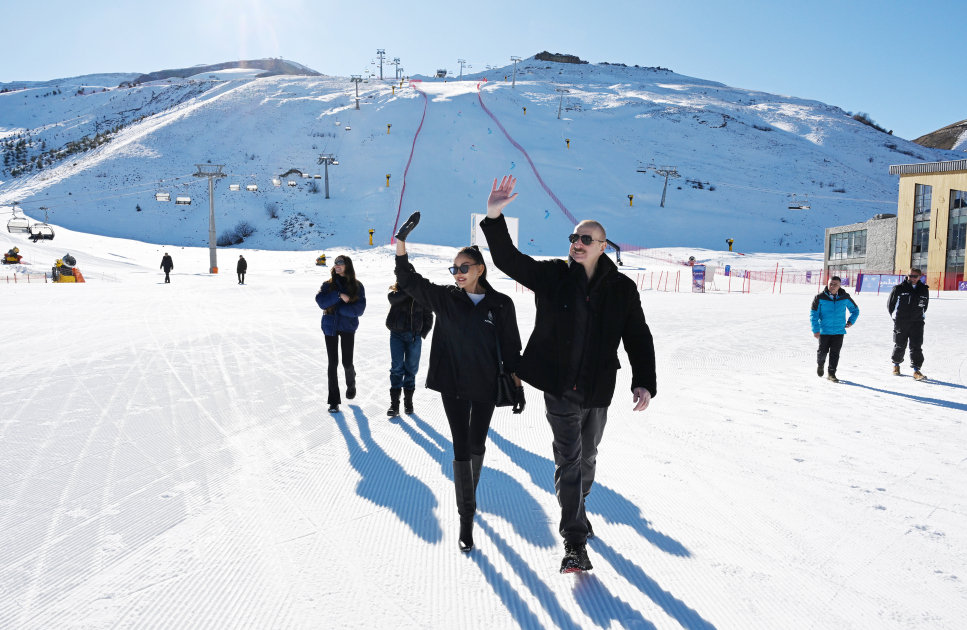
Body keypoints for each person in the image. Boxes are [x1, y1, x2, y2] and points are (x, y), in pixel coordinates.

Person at [479, 176, 657, 574]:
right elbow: (508, 259)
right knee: (569, 461)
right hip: (559, 387)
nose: (576, 243)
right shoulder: (554, 276)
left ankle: (576, 506)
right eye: (573, 237)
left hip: (598, 389)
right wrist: (494, 215)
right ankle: (575, 541)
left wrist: (643, 379)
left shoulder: (622, 289)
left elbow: (638, 336)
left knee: (588, 457)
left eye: (585, 239)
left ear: (601, 246)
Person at [394, 211, 524, 553]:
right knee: (460, 444)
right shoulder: (447, 299)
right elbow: (411, 283)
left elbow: (512, 347)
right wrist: (401, 247)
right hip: (452, 384)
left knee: (478, 444)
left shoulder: (501, 304)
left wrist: (518, 383)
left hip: (484, 385)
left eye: (463, 267)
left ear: (480, 269)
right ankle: (466, 517)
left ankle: (470, 491)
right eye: (453, 269)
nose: (458, 273)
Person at [315, 255, 366, 412]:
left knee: (347, 363)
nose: (337, 265)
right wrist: (338, 296)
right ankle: (333, 401)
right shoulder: (328, 285)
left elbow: (359, 309)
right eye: (335, 263)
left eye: (340, 263)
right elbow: (321, 301)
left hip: (348, 327)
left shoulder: (357, 286)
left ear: (347, 266)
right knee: (333, 364)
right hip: (330, 327)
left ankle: (351, 383)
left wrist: (339, 308)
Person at [385, 281, 434, 417]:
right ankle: (394, 404)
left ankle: (408, 402)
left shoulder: (422, 294)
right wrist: (408, 289)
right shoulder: (395, 291)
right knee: (396, 367)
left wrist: (421, 333)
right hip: (396, 334)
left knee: (411, 369)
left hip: (414, 336)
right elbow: (392, 299)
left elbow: (429, 315)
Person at [810, 276, 860, 383]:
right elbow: (814, 314)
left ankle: (831, 374)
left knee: (835, 353)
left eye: (835, 284)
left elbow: (855, 310)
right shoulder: (819, 297)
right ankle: (820, 364)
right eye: (830, 284)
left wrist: (851, 321)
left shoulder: (845, 297)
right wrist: (816, 329)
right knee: (822, 352)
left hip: (839, 331)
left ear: (840, 286)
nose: (832, 286)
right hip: (824, 331)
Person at [888, 268, 929, 380]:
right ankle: (896, 365)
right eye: (910, 276)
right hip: (901, 322)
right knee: (900, 344)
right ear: (907, 275)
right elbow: (890, 305)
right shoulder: (898, 288)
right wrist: (896, 318)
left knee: (916, 346)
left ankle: (916, 370)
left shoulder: (924, 289)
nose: (912, 278)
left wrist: (919, 316)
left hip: (917, 322)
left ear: (920, 277)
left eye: (915, 276)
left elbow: (925, 306)